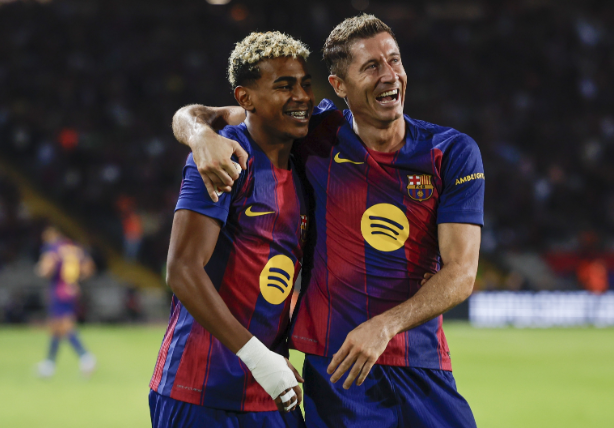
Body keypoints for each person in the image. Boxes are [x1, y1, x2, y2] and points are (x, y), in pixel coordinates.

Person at [173, 15, 484, 428]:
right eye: (371, 66)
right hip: (336, 371)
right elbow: (207, 114)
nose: (389, 74)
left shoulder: (452, 151)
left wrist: (384, 326)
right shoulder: (315, 131)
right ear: (339, 86)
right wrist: (198, 136)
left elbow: (462, 273)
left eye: (394, 60)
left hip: (421, 363)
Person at [149, 31, 315, 428]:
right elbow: (182, 270)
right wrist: (200, 134)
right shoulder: (224, 157)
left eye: (305, 84)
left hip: (272, 388)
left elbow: (197, 114)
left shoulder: (308, 159)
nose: (301, 96)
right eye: (284, 86)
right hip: (199, 391)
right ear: (246, 99)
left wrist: (271, 362)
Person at [36, 226, 96, 378]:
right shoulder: (75, 248)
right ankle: (49, 364)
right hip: (71, 290)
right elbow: (89, 268)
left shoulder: (53, 248)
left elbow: (46, 269)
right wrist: (76, 281)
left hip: (59, 290)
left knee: (65, 326)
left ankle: (85, 357)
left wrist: (40, 270)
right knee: (56, 327)